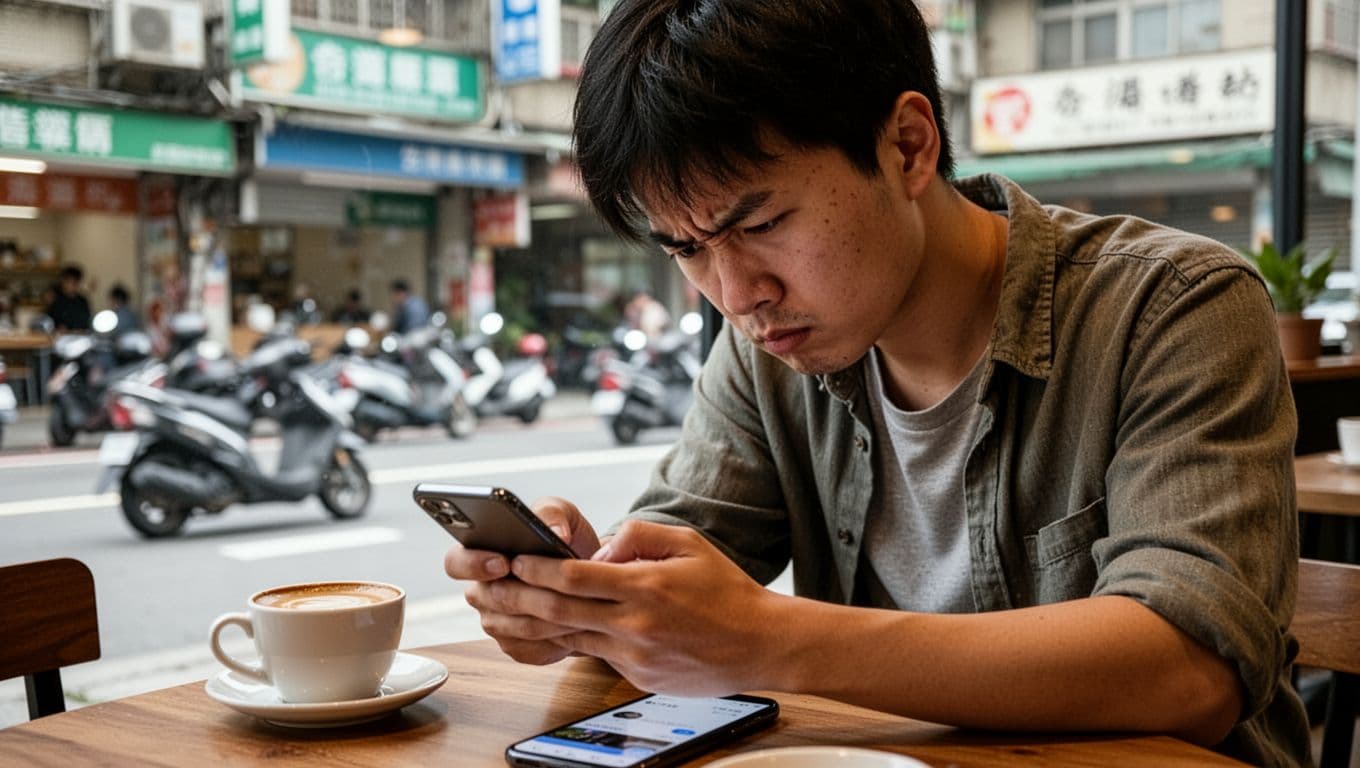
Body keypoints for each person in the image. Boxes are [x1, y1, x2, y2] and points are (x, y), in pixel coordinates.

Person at [443, 1, 1307, 765]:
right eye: (686, 248)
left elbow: (1192, 670)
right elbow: (684, 540)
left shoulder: (1172, 306)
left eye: (763, 222)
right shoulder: (770, 350)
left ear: (907, 145)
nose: (738, 295)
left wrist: (768, 638)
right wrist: (582, 596)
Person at [45, 265, 91, 332]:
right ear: (63, 281)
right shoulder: (55, 299)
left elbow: (87, 321)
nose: (71, 286)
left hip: (79, 335)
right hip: (59, 336)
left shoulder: (83, 301)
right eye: (69, 282)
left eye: (75, 283)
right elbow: (49, 321)